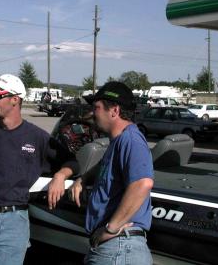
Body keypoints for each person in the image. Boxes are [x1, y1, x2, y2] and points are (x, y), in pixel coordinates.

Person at [0, 74, 75, 265]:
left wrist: (61, 176)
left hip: (15, 222)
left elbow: (71, 162)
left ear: (15, 99)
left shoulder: (37, 137)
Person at [48, 81, 154, 265]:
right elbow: (105, 167)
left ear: (114, 110)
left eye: (96, 107)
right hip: (115, 248)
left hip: (119, 248)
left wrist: (111, 229)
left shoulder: (131, 140)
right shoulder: (118, 142)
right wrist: (83, 179)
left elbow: (142, 184)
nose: (92, 113)